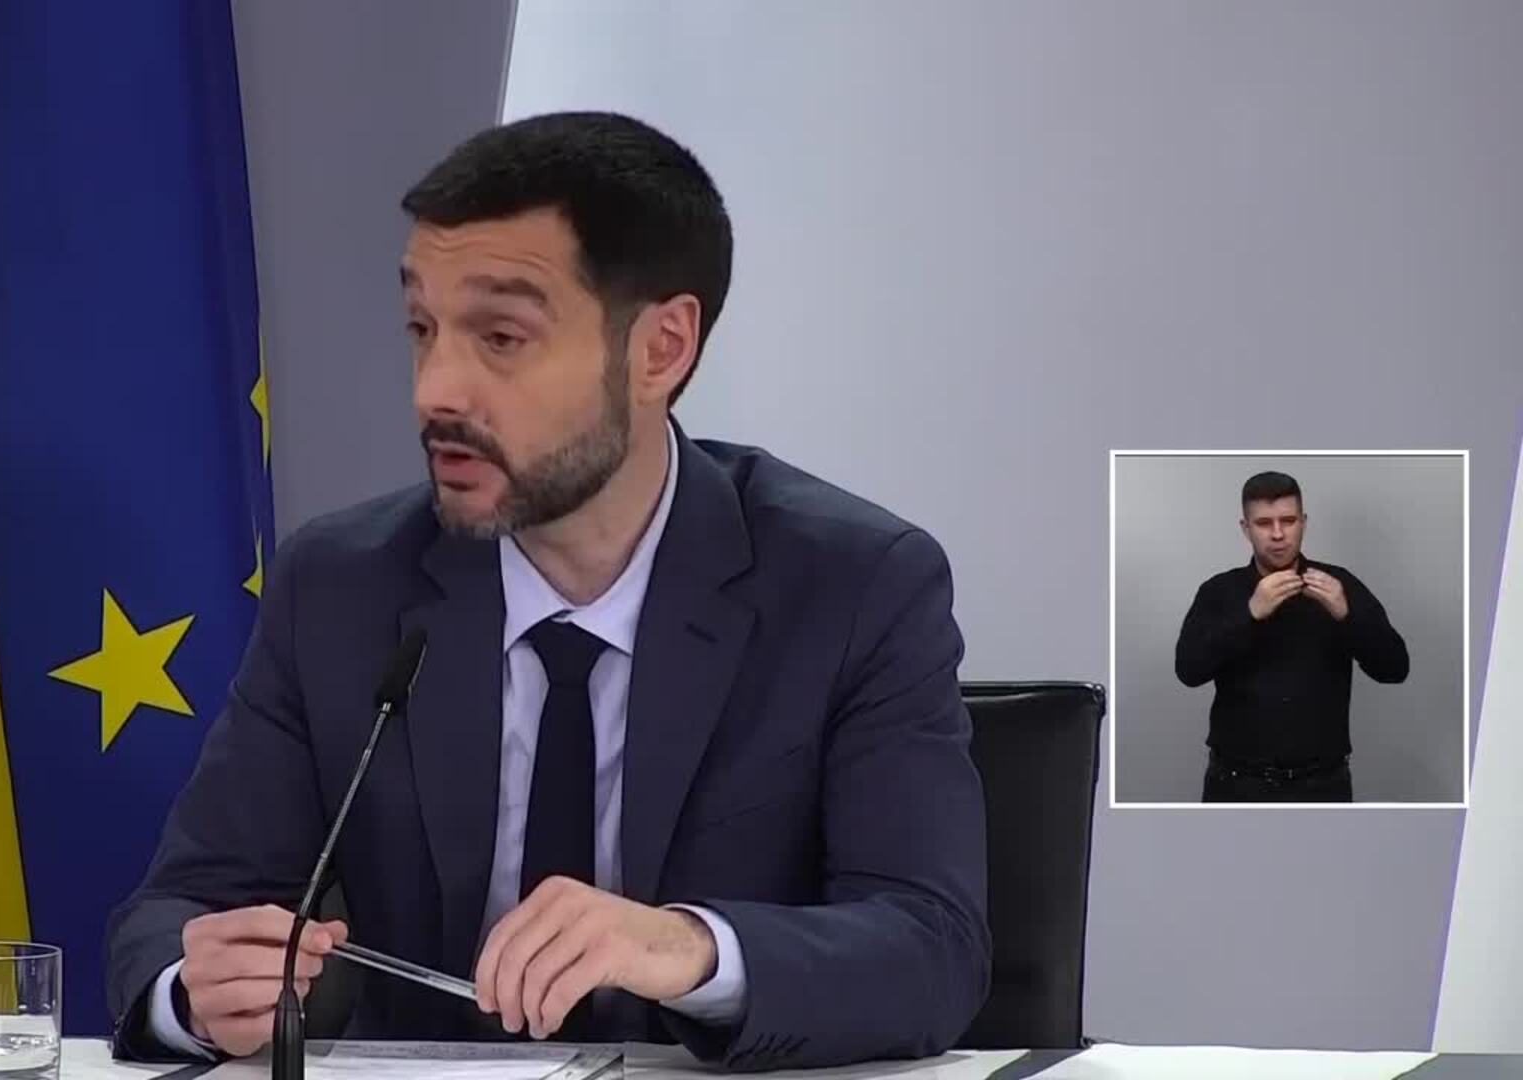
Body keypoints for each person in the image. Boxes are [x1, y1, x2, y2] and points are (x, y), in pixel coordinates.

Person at [104, 111, 990, 1072]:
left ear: (660, 350)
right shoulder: (342, 587)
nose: (436, 391)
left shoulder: (853, 586)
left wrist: (689, 946)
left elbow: (932, 948)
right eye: (423, 329)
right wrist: (198, 993)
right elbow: (176, 912)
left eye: (501, 336)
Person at [1174, 471, 1409, 802]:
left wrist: (1347, 615)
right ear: (1245, 528)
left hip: (1323, 785)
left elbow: (1395, 669)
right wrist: (1249, 614)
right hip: (1236, 784)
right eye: (1263, 523)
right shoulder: (1219, 591)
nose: (1278, 534)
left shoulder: (1339, 584)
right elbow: (1188, 670)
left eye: (1288, 520)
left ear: (1304, 523)